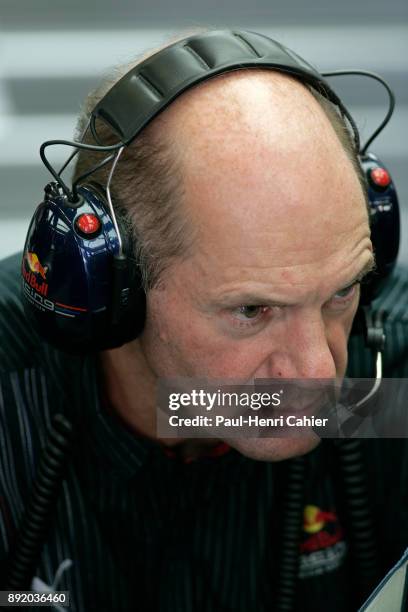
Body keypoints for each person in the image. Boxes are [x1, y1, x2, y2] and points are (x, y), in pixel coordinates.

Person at [0, 29, 407, 612]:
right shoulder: (11, 394)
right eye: (251, 311)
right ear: (113, 289)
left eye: (341, 293)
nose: (318, 373)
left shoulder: (391, 385)